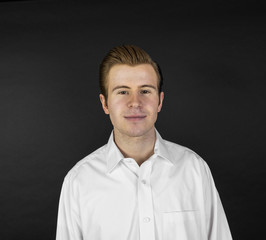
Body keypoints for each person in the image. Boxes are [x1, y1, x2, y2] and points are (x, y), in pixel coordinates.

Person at [55, 45, 233, 240]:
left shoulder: (194, 170)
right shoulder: (78, 182)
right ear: (105, 103)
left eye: (145, 91)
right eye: (122, 92)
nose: (135, 102)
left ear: (160, 101)